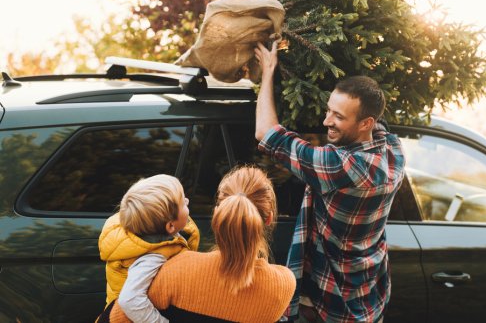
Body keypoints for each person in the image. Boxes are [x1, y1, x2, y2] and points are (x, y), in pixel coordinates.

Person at [254, 41, 406, 323]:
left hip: (333, 304)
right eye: (328, 110)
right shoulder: (393, 151)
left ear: (365, 123)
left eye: (338, 116)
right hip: (369, 296)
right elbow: (380, 123)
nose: (326, 121)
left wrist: (268, 71)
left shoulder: (341, 167)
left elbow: (266, 133)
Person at [103, 165, 296, 323]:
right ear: (269, 218)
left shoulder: (173, 271)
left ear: (218, 214)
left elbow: (115, 317)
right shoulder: (283, 285)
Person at [98, 174, 199, 323]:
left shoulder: (146, 233)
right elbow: (129, 300)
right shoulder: (152, 257)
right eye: (183, 203)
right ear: (170, 226)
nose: (187, 201)